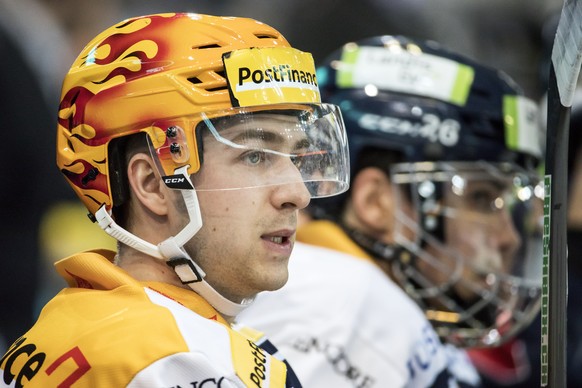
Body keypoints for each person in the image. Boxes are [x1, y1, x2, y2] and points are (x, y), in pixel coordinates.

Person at [0, 12, 350, 387]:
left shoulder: (92, 321)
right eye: (255, 156)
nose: (297, 194)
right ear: (152, 184)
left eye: (297, 157)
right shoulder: (171, 363)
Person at [238, 35, 544, 387]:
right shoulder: (347, 307)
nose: (508, 237)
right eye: (481, 199)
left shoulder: (377, 310)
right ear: (375, 202)